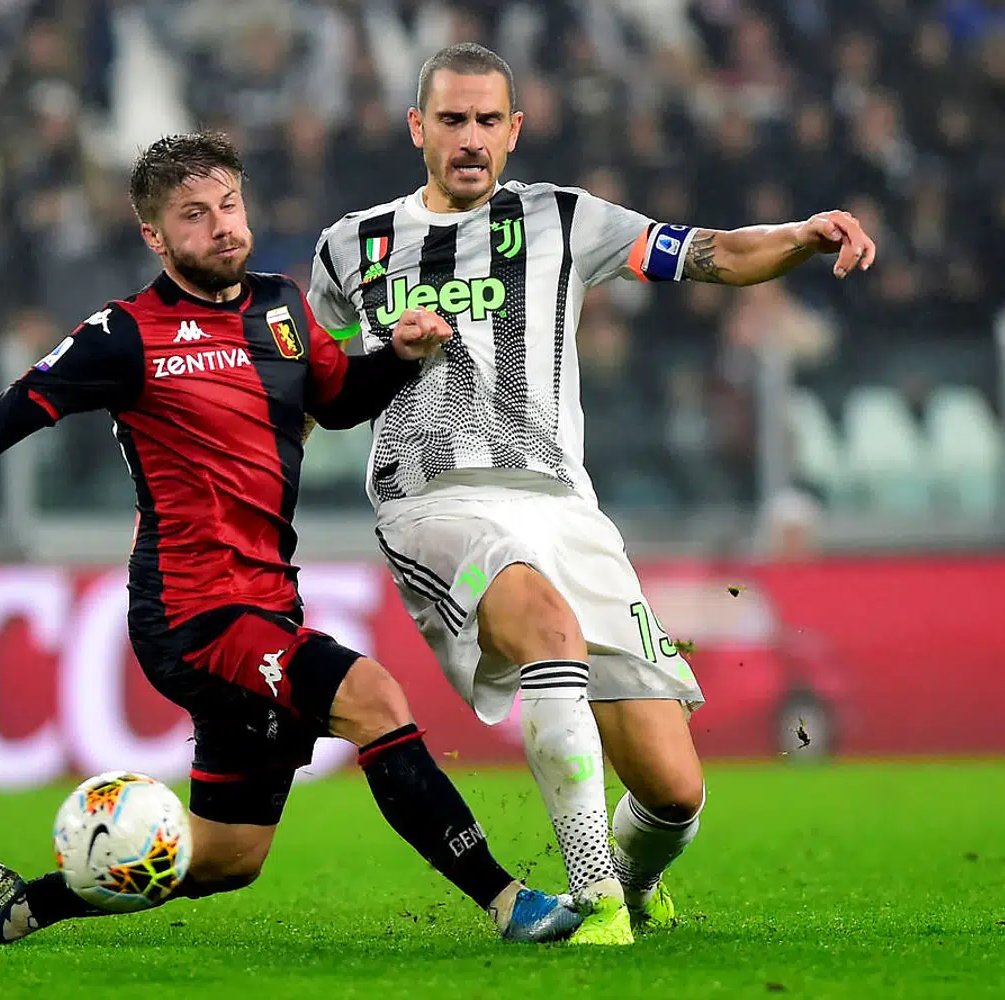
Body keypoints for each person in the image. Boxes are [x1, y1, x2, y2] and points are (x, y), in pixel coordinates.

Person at [0, 131, 581, 946]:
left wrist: (397, 355)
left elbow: (335, 400)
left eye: (229, 205)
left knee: (228, 857)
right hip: (192, 615)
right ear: (155, 236)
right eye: (195, 215)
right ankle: (513, 906)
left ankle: (18, 907)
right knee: (372, 696)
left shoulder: (281, 305)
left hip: (266, 603)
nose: (223, 226)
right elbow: (8, 414)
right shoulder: (124, 335)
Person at [306, 43, 877, 946]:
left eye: (489, 121)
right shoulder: (351, 247)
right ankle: (595, 897)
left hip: (564, 507)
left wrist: (801, 237)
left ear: (515, 130)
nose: (470, 139)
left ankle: (635, 879)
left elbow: (713, 255)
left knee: (674, 790)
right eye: (451, 120)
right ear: (417, 127)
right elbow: (322, 387)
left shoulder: (565, 219)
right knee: (546, 628)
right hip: (432, 499)